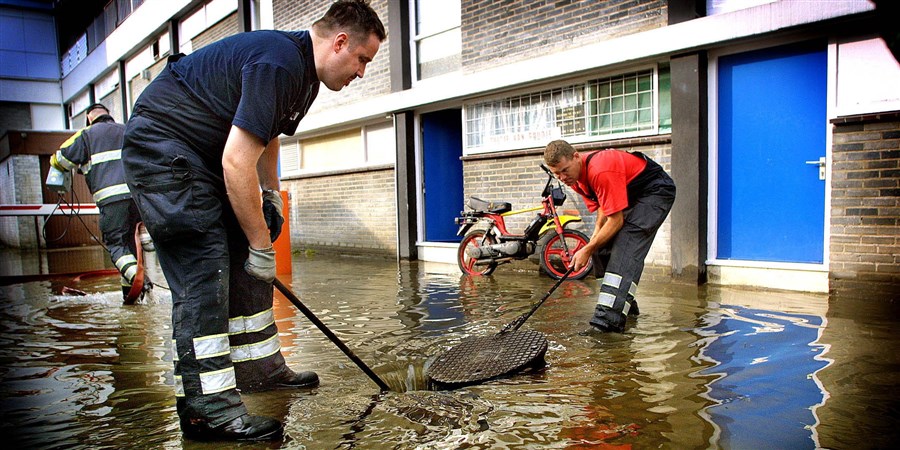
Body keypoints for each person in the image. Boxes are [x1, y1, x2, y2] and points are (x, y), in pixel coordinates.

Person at [121, 0, 386, 442]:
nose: (361, 72)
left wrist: (269, 196)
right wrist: (263, 245)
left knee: (246, 259)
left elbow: (267, 138)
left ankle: (259, 372)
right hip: (166, 154)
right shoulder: (279, 62)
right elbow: (235, 161)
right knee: (205, 272)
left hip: (204, 158)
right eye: (362, 59)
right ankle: (207, 411)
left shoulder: (303, 76)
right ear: (340, 42)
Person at [543, 140, 676, 333]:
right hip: (631, 195)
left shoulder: (600, 170)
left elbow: (616, 221)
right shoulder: (575, 179)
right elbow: (604, 207)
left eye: (565, 170)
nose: (563, 177)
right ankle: (624, 308)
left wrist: (586, 249)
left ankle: (606, 324)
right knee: (601, 250)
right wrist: (594, 241)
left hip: (656, 192)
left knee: (626, 246)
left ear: (576, 156)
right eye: (557, 174)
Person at [50, 103, 149, 304]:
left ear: (89, 117)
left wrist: (55, 165)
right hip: (138, 198)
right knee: (131, 248)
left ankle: (141, 280)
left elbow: (60, 159)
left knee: (116, 244)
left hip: (111, 201)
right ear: (108, 115)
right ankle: (131, 300)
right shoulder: (127, 129)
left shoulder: (87, 134)